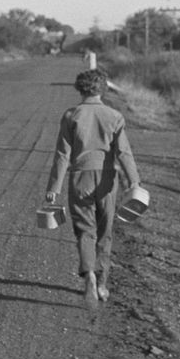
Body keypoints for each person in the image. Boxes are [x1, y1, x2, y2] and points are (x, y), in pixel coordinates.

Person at [45, 68, 141, 309]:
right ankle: (102, 284)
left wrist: (53, 188)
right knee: (105, 232)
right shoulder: (114, 116)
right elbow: (124, 152)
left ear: (80, 88)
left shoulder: (70, 116)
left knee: (85, 230)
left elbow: (62, 155)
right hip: (108, 179)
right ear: (103, 89)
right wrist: (134, 182)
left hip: (79, 178)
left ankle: (88, 273)